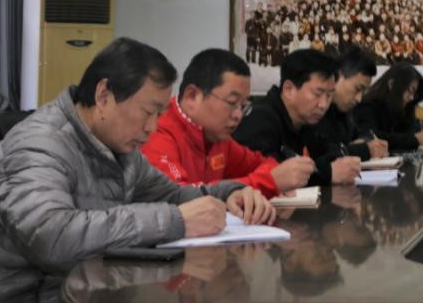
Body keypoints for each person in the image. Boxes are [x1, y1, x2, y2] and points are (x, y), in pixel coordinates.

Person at [0, 37, 274, 303]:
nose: (152, 127)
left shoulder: (120, 150)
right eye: (148, 112)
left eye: (159, 114)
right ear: (103, 95)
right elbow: (51, 238)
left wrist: (229, 193)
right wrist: (174, 221)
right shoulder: (39, 145)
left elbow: (172, 196)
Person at [141, 48, 316, 198]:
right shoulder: (158, 133)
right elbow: (177, 196)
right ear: (192, 96)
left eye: (243, 106)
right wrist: (267, 183)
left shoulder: (218, 138)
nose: (238, 115)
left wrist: (277, 177)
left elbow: (263, 164)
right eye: (232, 103)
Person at [234, 48, 362, 185]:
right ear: (289, 89)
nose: (324, 105)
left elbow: (331, 151)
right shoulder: (259, 119)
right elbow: (274, 175)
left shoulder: (305, 120)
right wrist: (327, 173)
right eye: (317, 94)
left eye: (329, 95)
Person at [308, 45, 389, 162]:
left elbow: (364, 135)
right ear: (339, 75)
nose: (359, 99)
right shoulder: (315, 109)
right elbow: (322, 155)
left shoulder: (344, 111)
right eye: (357, 89)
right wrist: (363, 149)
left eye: (363, 92)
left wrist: (367, 144)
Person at [353, 62, 423, 152]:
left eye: (414, 94)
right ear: (391, 84)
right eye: (410, 91)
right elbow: (372, 137)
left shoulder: (401, 107)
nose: (411, 98)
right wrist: (414, 139)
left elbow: (409, 132)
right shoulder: (366, 106)